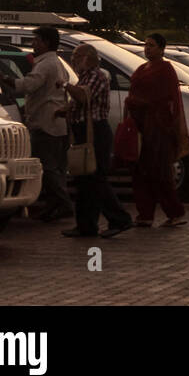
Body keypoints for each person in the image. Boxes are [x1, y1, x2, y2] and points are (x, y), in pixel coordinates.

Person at [62, 45, 134, 238]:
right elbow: (77, 103)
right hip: (85, 131)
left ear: (88, 58)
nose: (74, 60)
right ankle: (86, 225)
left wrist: (66, 85)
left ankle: (120, 218)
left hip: (95, 133)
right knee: (84, 180)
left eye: (77, 56)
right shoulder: (85, 77)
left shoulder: (96, 76)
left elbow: (83, 97)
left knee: (95, 178)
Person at [125, 33, 189, 228]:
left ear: (162, 49)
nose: (147, 49)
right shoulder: (142, 68)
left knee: (159, 172)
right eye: (146, 45)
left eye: (151, 46)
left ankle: (175, 213)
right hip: (140, 126)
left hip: (158, 128)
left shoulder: (166, 70)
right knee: (141, 172)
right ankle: (145, 214)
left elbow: (166, 98)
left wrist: (141, 103)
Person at [14, 26, 75, 221]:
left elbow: (29, 85)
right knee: (55, 168)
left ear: (47, 43)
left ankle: (63, 203)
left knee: (47, 168)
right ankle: (53, 205)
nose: (33, 44)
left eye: (37, 40)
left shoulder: (46, 64)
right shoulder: (56, 62)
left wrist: (7, 81)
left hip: (45, 123)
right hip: (55, 123)